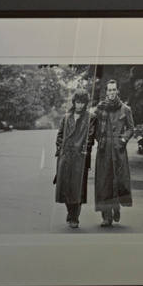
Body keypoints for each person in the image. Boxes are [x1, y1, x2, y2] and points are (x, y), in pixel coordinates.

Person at [92, 78, 135, 227]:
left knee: (118, 180)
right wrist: (100, 139)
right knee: (104, 182)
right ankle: (106, 216)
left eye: (113, 89)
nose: (111, 92)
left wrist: (123, 140)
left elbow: (131, 128)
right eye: (109, 90)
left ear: (117, 91)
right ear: (106, 92)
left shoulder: (125, 109)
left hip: (118, 150)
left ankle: (116, 207)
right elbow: (94, 128)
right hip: (104, 151)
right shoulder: (99, 109)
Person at [54, 88, 94, 229]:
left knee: (78, 189)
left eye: (83, 103)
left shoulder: (90, 118)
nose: (80, 105)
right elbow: (59, 136)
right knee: (64, 187)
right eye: (78, 102)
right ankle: (70, 211)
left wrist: (85, 150)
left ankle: (75, 218)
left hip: (80, 158)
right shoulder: (66, 117)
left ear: (86, 103)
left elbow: (90, 137)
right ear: (74, 102)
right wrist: (60, 148)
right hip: (65, 156)